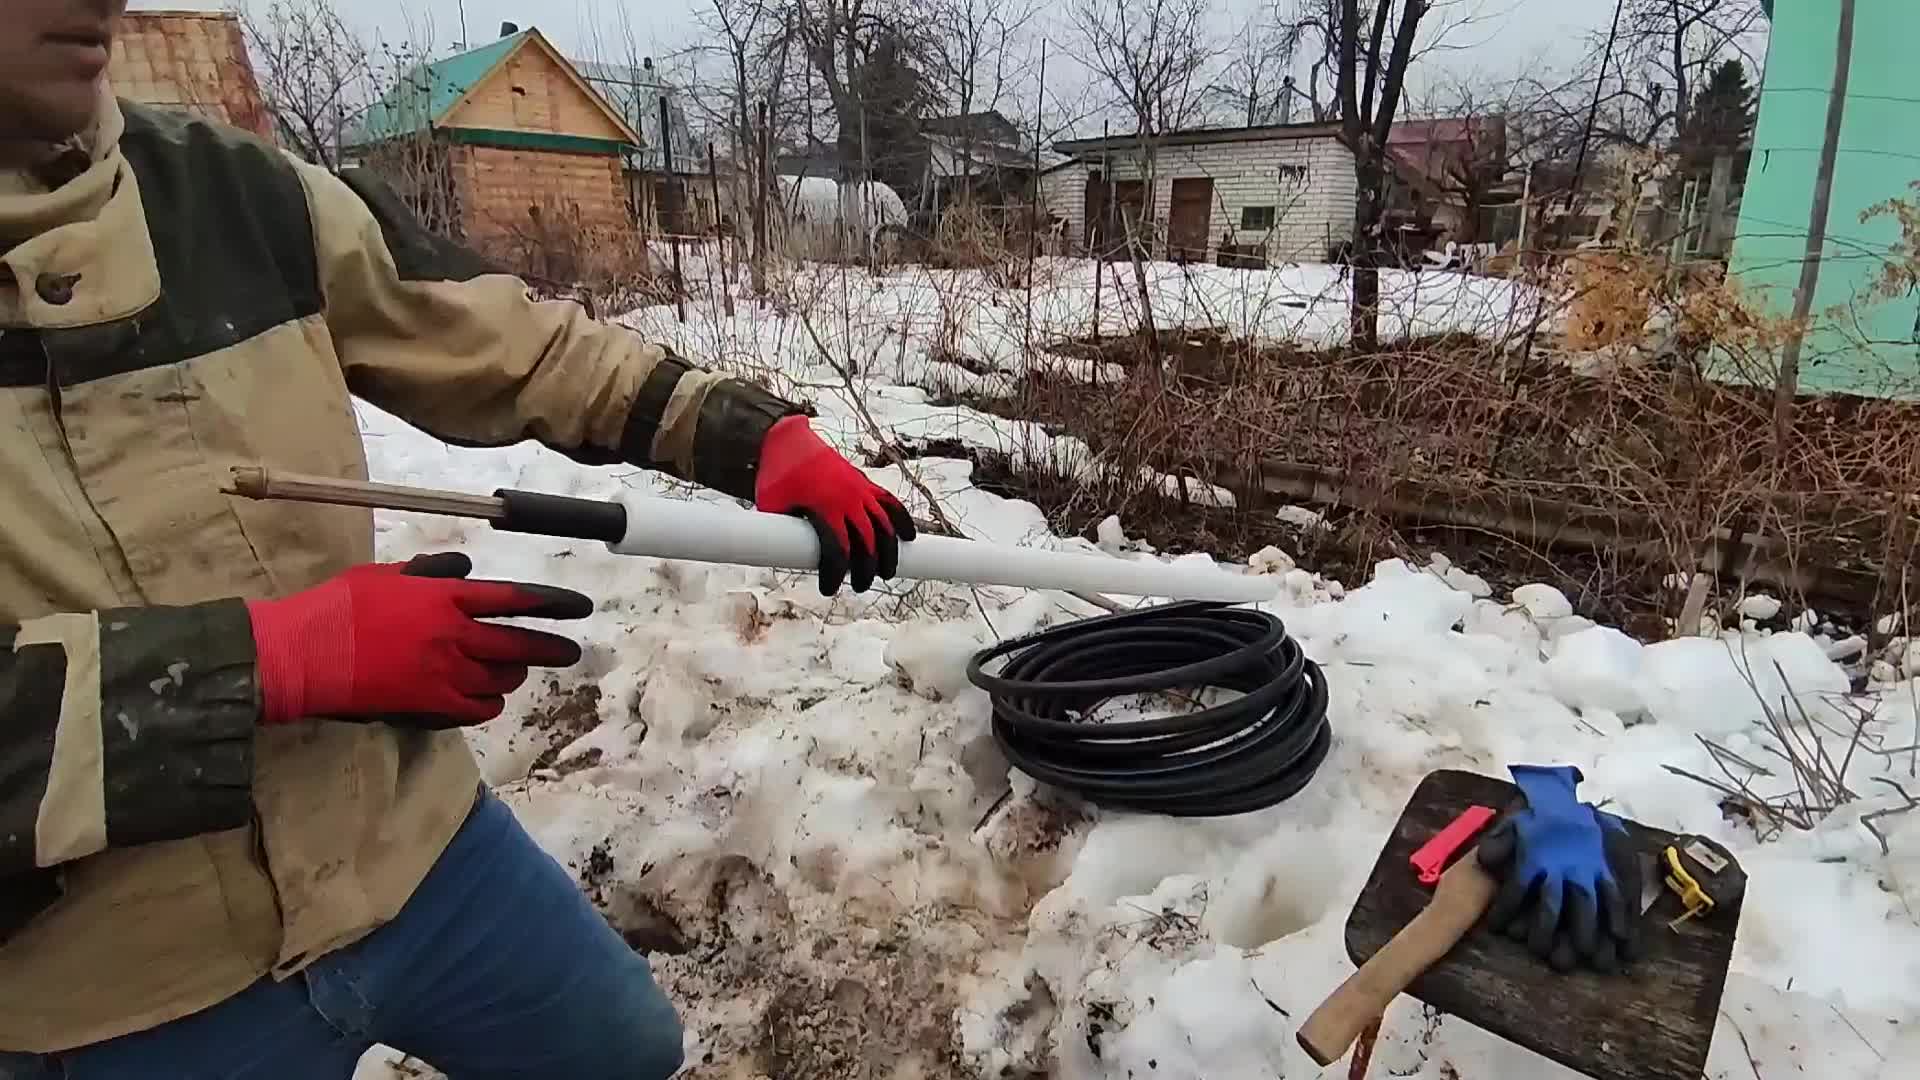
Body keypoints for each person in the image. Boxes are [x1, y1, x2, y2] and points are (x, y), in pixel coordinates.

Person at [0, 2, 913, 1076]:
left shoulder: (236, 196)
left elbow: (503, 341)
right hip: (115, 985)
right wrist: (273, 665)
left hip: (403, 837)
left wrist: (742, 434)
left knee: (621, 1049)